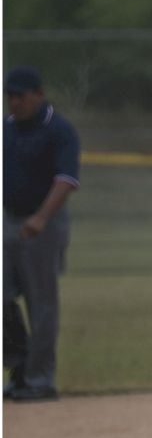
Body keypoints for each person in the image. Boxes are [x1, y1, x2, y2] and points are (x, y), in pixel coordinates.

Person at [3, 66, 81, 403]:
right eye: (9, 96)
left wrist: (40, 217)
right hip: (8, 220)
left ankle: (40, 380)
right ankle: (19, 366)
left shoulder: (58, 129)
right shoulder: (6, 129)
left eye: (20, 95)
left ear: (38, 94)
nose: (13, 102)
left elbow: (65, 179)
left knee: (41, 305)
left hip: (44, 225)